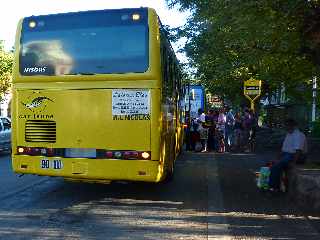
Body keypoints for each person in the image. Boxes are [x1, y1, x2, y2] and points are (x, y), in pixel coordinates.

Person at [268, 118, 307, 191]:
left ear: (291, 126)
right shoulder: (289, 134)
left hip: (297, 156)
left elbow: (298, 151)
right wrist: (277, 158)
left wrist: (293, 162)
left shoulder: (298, 135)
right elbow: (283, 149)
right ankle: (276, 185)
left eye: (286, 125)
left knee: (276, 166)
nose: (285, 127)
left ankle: (274, 187)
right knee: (273, 164)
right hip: (288, 155)